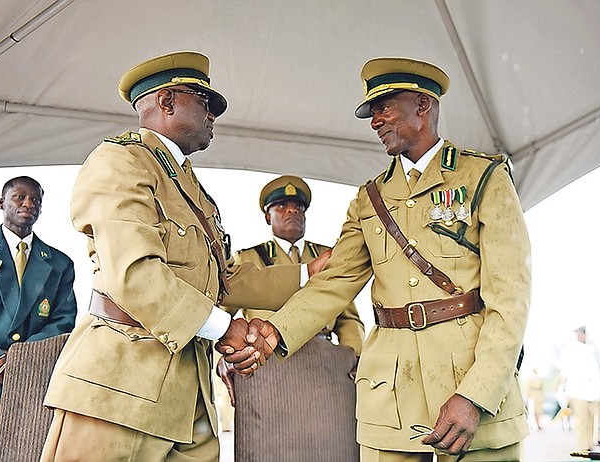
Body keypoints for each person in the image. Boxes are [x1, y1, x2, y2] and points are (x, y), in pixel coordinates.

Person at [219, 57, 532, 461]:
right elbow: (334, 283)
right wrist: (275, 333)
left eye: (384, 107)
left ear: (422, 105)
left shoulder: (483, 178)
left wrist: (477, 394)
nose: (374, 121)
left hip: (471, 382)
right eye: (371, 112)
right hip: (390, 395)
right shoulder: (370, 200)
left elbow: (511, 301)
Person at [40, 51, 312, 462]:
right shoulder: (121, 160)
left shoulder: (189, 187)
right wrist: (225, 329)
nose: (213, 114)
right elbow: (133, 274)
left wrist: (311, 273)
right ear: (167, 102)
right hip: (121, 389)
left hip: (189, 397)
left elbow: (224, 279)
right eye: (205, 102)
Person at [219, 175, 364, 461]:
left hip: (324, 368)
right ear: (267, 216)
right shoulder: (249, 259)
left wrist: (355, 356)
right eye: (282, 206)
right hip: (266, 367)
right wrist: (223, 359)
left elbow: (348, 318)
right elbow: (224, 315)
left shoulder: (328, 257)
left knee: (331, 448)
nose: (292, 211)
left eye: (298, 207)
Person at [0, 176, 77, 462]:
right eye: (19, 197)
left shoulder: (59, 263)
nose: (28, 204)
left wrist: (18, 361)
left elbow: (63, 321)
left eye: (35, 200)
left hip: (22, 387)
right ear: (1, 203)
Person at [559, 326, 600, 452]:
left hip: (592, 390)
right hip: (577, 389)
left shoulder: (591, 349)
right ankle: (582, 447)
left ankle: (589, 445)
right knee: (581, 420)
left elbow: (596, 370)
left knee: (590, 419)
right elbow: (566, 370)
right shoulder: (571, 349)